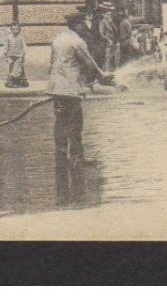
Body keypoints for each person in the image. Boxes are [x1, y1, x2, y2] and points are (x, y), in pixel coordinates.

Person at [49, 10, 114, 206]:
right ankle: (77, 158)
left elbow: (51, 62)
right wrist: (103, 76)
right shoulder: (78, 42)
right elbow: (89, 63)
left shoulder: (58, 39)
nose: (85, 26)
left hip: (56, 87)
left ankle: (61, 156)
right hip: (71, 88)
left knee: (60, 121)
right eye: (83, 23)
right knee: (75, 122)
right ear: (77, 26)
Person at [1, 23, 28, 88]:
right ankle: (12, 81)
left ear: (19, 30)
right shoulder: (8, 37)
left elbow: (24, 45)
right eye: (13, 29)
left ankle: (14, 80)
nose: (15, 30)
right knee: (11, 68)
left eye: (16, 29)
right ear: (11, 29)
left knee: (17, 68)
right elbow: (6, 46)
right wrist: (5, 53)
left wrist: (24, 52)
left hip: (19, 55)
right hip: (10, 55)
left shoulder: (21, 37)